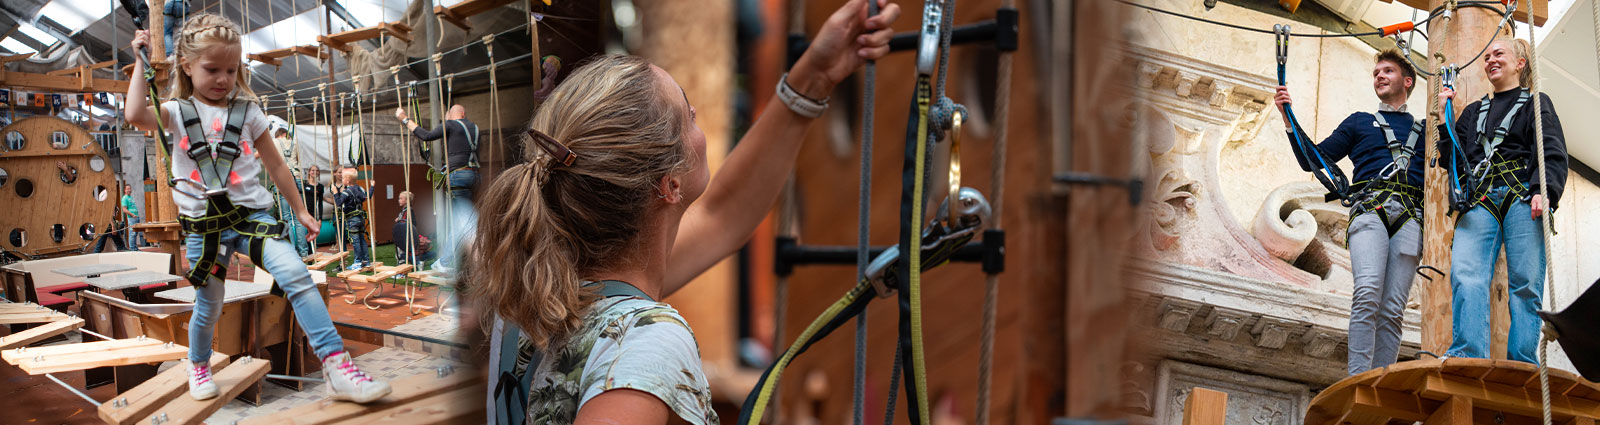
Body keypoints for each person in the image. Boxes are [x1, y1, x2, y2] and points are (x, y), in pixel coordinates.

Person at [466, 0, 900, 422]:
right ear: (669, 185)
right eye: (687, 112)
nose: (696, 114)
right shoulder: (645, 342)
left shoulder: (537, 284)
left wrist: (816, 75)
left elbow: (721, 216)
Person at [123, 14, 390, 403]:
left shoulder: (247, 111)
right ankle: (198, 364)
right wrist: (140, 65)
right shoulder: (177, 112)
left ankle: (336, 365)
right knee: (209, 305)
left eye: (231, 70)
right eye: (211, 69)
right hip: (205, 228)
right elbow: (134, 115)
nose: (222, 79)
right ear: (187, 66)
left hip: (252, 220)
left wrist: (300, 209)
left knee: (297, 275)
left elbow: (277, 165)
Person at [1273, 49, 1426, 375]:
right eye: (1376, 73)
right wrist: (1290, 120)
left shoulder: (1428, 132)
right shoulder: (1360, 122)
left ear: (1407, 81)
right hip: (1371, 211)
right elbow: (1313, 158)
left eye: (1388, 71)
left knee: (1394, 308)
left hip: (1411, 217)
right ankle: (1359, 377)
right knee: (1368, 292)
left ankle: (1380, 380)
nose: (1380, 76)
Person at [1438, 38, 1567, 365]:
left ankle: (1523, 360)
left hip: (1523, 194)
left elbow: (1550, 150)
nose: (1491, 60)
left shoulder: (1536, 104)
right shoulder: (1472, 113)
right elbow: (1453, 159)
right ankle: (1467, 353)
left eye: (1499, 55)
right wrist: (1445, 117)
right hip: (1480, 198)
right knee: (1466, 273)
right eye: (1487, 56)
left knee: (1525, 283)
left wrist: (1544, 190)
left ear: (1520, 63)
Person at [394, 104, 479, 273]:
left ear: (456, 115)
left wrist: (404, 118)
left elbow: (426, 136)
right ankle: (460, 261)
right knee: (465, 219)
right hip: (473, 176)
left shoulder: (451, 125)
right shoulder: (474, 128)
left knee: (461, 223)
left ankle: (448, 261)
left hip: (458, 177)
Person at [333, 166, 371, 270]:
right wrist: (372, 187)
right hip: (360, 218)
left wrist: (336, 193)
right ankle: (366, 260)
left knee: (356, 241)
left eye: (344, 178)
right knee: (361, 239)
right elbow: (367, 196)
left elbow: (339, 203)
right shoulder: (360, 189)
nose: (342, 180)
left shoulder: (347, 192)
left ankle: (358, 261)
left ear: (348, 180)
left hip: (352, 219)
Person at [392, 191, 432, 266]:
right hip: (403, 235)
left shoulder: (409, 210)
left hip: (407, 235)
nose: (399, 200)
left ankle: (416, 263)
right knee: (401, 250)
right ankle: (404, 262)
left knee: (404, 251)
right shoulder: (404, 210)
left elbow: (408, 223)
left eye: (401, 198)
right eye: (399, 198)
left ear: (407, 200)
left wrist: (400, 220)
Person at [121, 183, 145, 248]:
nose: (129, 190)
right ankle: (132, 248)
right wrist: (132, 215)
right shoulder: (124, 198)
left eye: (130, 188)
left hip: (136, 217)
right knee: (132, 233)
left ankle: (135, 247)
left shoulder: (131, 197)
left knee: (136, 233)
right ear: (125, 190)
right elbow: (124, 209)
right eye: (127, 189)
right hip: (131, 217)